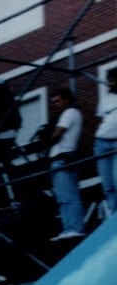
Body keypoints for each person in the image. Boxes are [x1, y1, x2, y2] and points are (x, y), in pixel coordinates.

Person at [47, 87, 85, 240]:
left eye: (58, 101)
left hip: (64, 157)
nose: (55, 105)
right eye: (53, 102)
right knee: (62, 198)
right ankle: (68, 228)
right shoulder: (66, 114)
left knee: (69, 195)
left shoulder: (70, 112)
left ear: (67, 100)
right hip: (58, 158)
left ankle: (76, 227)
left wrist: (46, 139)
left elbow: (56, 134)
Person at [94, 68, 117, 216]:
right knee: (108, 185)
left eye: (112, 80)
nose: (109, 83)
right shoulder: (106, 99)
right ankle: (114, 217)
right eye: (108, 80)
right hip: (102, 142)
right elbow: (102, 119)